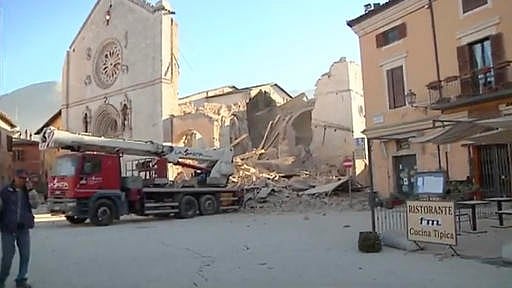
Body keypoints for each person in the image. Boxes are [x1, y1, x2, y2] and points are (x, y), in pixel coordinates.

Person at [0, 169, 39, 288]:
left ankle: (21, 279)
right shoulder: (5, 191)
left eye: (24, 178)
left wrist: (31, 190)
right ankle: (1, 279)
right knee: (7, 257)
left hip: (23, 228)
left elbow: (35, 205)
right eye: (20, 178)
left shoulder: (27, 191)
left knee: (25, 255)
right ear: (15, 177)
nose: (22, 181)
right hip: (8, 229)